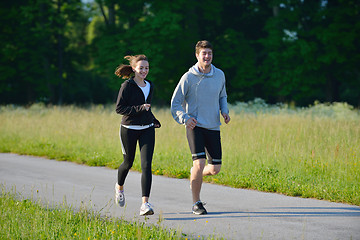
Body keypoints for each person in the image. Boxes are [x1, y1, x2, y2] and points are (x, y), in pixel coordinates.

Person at [170, 40, 230, 215]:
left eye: (209, 53)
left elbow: (223, 96)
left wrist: (224, 111)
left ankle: (195, 175)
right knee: (199, 162)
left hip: (213, 126)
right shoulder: (188, 77)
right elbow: (176, 103)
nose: (207, 56)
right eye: (203, 53)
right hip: (194, 125)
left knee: (214, 169)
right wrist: (184, 118)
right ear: (197, 55)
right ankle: (196, 203)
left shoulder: (219, 75)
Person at [114, 54, 161, 216]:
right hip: (129, 128)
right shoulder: (127, 86)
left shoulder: (150, 85)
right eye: (141, 68)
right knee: (128, 162)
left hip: (147, 128)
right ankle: (119, 187)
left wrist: (153, 119)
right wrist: (140, 109)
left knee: (146, 165)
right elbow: (119, 109)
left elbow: (147, 107)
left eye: (147, 68)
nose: (144, 71)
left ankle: (145, 204)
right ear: (134, 69)